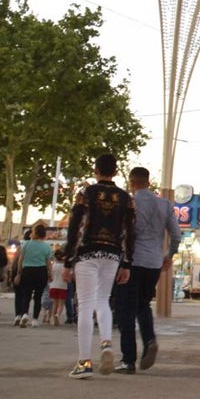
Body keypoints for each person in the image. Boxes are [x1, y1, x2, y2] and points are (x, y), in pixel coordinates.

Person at [62, 153, 135, 378]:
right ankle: (106, 343)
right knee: (103, 300)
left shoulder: (87, 193)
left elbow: (76, 226)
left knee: (84, 305)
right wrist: (127, 263)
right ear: (115, 171)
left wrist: (68, 260)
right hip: (112, 254)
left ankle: (84, 362)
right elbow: (129, 231)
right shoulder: (125, 198)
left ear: (96, 170)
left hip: (87, 253)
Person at [113, 167, 181, 375]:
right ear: (149, 182)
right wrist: (168, 255)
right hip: (154, 262)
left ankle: (128, 359)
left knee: (125, 309)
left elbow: (124, 233)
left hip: (132, 262)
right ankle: (149, 339)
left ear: (132, 183)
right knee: (143, 305)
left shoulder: (130, 203)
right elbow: (177, 234)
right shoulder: (165, 204)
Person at [13, 224, 53, 328]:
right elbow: (48, 262)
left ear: (34, 233)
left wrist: (18, 273)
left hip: (27, 271)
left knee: (26, 295)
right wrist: (50, 274)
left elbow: (20, 260)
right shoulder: (47, 246)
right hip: (41, 272)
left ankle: (25, 314)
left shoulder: (26, 244)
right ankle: (35, 319)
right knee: (38, 296)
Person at [48, 248, 68, 326]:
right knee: (61, 304)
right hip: (62, 286)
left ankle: (53, 319)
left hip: (53, 286)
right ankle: (58, 315)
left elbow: (50, 275)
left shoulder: (53, 265)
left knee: (54, 304)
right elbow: (66, 278)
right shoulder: (65, 266)